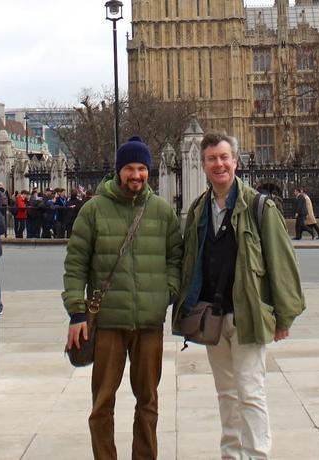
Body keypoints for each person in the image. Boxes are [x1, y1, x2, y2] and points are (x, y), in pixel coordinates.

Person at [172, 132, 305, 460]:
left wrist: (283, 316)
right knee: (226, 394)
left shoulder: (260, 206)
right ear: (202, 165)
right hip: (213, 318)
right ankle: (232, 454)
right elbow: (190, 261)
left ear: (236, 161)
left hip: (247, 314)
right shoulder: (199, 209)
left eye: (224, 157)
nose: (219, 164)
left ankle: (257, 454)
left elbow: (282, 264)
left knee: (250, 392)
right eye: (211, 159)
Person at [62, 136, 182, 460]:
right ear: (118, 171)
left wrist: (166, 293)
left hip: (148, 323)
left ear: (149, 172)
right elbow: (75, 265)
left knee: (148, 402)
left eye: (142, 168)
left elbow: (176, 258)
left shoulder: (161, 211)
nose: (136, 174)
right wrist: (76, 313)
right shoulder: (93, 210)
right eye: (129, 167)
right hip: (107, 324)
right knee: (102, 404)